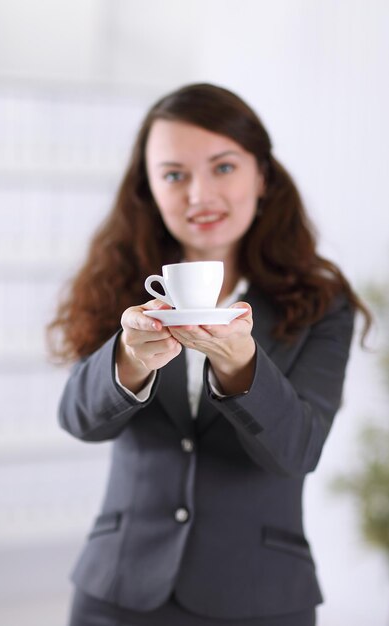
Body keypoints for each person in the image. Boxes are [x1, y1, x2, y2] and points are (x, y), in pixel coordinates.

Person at [48, 83, 371, 626]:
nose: (199, 195)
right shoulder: (122, 285)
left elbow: (298, 451)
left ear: (262, 175)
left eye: (223, 167)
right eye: (174, 175)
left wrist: (242, 368)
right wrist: (128, 359)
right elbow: (78, 420)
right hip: (119, 590)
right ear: (149, 189)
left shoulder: (320, 301)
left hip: (262, 595)